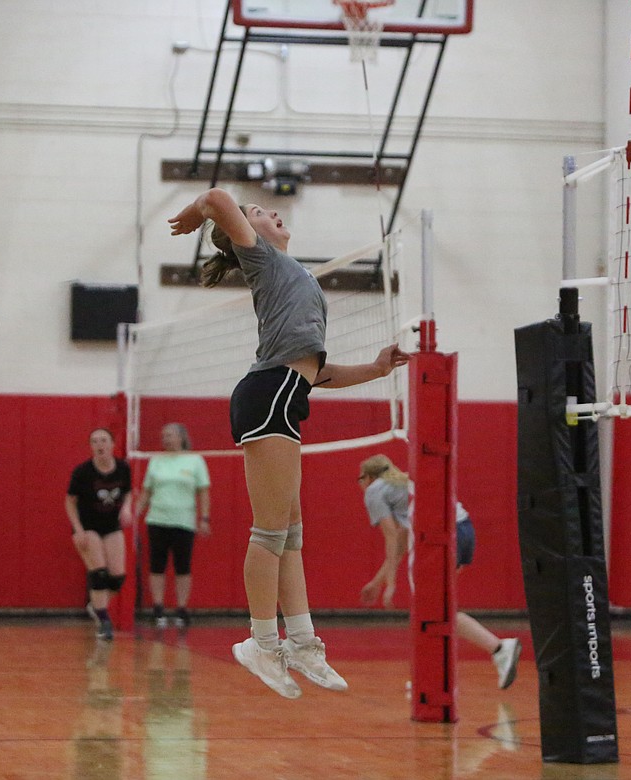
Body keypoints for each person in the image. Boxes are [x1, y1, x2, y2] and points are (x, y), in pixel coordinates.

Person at [168, 188, 411, 699]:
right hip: (269, 394)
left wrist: (377, 366)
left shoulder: (295, 278)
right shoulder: (262, 257)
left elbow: (319, 372)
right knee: (271, 532)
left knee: (291, 532)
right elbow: (216, 196)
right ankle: (260, 641)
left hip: (289, 392)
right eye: (257, 212)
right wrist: (197, 214)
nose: (268, 213)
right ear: (246, 233)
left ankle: (301, 642)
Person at [356, 454, 522, 689]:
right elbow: (401, 543)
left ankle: (496, 649)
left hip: (440, 537)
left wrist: (391, 584)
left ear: (369, 477)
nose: (360, 485)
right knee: (438, 610)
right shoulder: (402, 485)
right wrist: (378, 581)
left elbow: (391, 538)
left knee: (430, 610)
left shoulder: (374, 491)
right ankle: (439, 673)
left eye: (360, 479)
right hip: (464, 530)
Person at [134, 422, 211, 628]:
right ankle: (158, 609)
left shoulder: (195, 461)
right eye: (164, 435)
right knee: (157, 565)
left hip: (183, 521)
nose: (166, 439)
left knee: (182, 566)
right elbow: (146, 491)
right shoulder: (156, 461)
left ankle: (181, 609)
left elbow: (203, 491)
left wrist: (204, 518)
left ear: (181, 437)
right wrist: (135, 512)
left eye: (170, 435)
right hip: (157, 519)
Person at [65, 427, 134, 641]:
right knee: (100, 574)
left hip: (111, 525)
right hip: (88, 527)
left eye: (103, 440)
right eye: (94, 441)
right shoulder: (83, 472)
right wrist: (78, 530)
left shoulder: (122, 468)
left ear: (112, 444)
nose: (99, 445)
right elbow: (69, 501)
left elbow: (129, 492)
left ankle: (96, 606)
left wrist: (126, 508)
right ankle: (104, 622)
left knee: (117, 577)